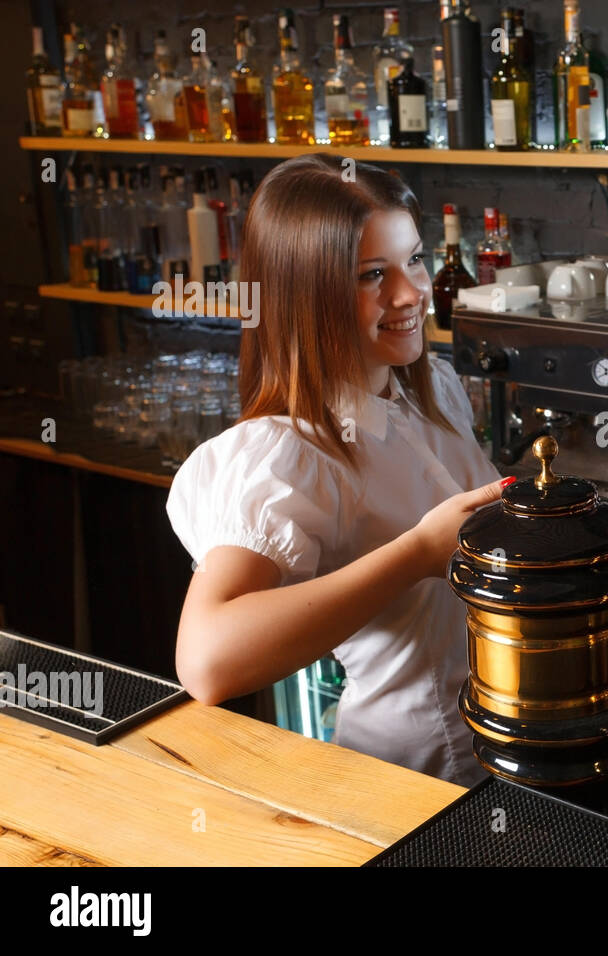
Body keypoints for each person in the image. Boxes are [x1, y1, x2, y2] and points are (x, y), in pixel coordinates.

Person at [166, 154, 506, 787]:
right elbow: (207, 662)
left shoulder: (430, 390)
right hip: (413, 778)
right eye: (372, 274)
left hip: (507, 756)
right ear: (306, 293)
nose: (410, 294)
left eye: (414, 260)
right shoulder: (288, 452)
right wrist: (419, 553)